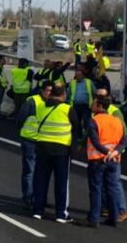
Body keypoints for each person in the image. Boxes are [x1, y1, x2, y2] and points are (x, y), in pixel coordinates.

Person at [31, 84, 81, 223]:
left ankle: (37, 210)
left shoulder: (41, 107)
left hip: (42, 148)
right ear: (63, 95)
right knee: (61, 182)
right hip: (61, 150)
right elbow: (77, 128)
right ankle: (61, 213)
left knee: (40, 180)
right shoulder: (67, 109)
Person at [78, 95, 125, 228]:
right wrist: (115, 152)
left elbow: (95, 141)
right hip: (114, 160)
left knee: (96, 189)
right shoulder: (116, 120)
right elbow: (123, 141)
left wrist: (107, 153)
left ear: (99, 106)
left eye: (94, 104)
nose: (91, 106)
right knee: (112, 189)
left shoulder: (94, 121)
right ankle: (113, 217)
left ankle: (94, 219)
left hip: (98, 160)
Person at [16, 81, 52, 210]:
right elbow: (21, 118)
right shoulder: (32, 101)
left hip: (44, 142)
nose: (49, 93)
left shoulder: (53, 104)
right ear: (41, 90)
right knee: (29, 171)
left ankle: (40, 197)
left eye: (51, 91)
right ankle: (28, 197)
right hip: (30, 140)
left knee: (42, 172)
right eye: (47, 90)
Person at [68, 68, 96, 135]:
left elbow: (94, 92)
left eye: (79, 75)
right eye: (77, 75)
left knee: (86, 122)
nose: (78, 77)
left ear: (83, 75)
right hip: (75, 105)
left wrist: (93, 103)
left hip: (86, 105)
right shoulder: (72, 83)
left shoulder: (89, 82)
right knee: (76, 122)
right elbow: (69, 93)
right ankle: (78, 136)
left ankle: (86, 136)